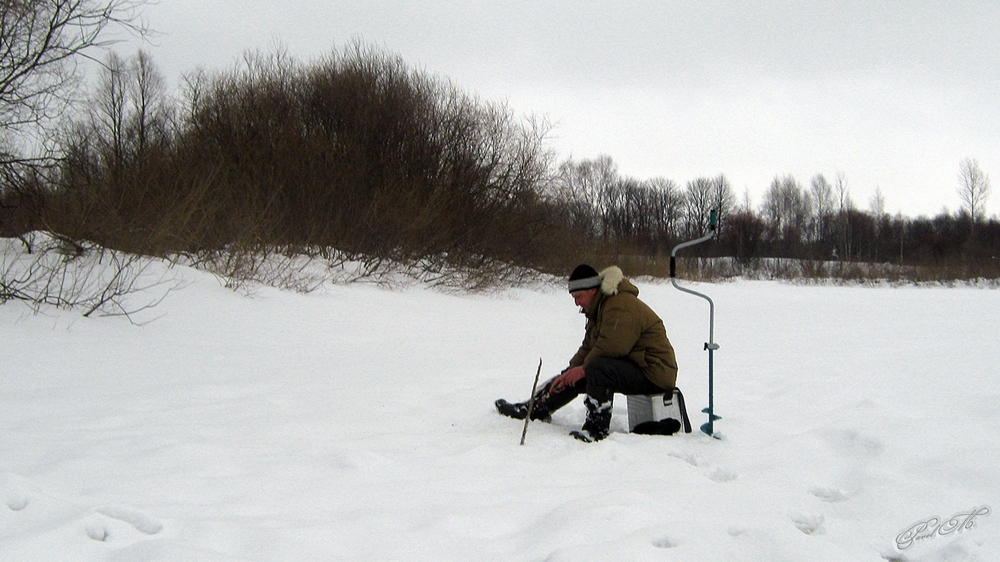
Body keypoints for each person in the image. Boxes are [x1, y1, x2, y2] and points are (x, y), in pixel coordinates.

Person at [495, 264, 679, 442]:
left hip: (655, 373)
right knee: (578, 371)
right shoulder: (599, 307)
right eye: (574, 298)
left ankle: (596, 430)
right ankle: (533, 409)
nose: (577, 303)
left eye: (579, 296)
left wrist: (582, 370)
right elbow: (589, 347)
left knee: (597, 368)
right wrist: (570, 371)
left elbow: (612, 347)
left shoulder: (620, 304)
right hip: (636, 366)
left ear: (593, 290)